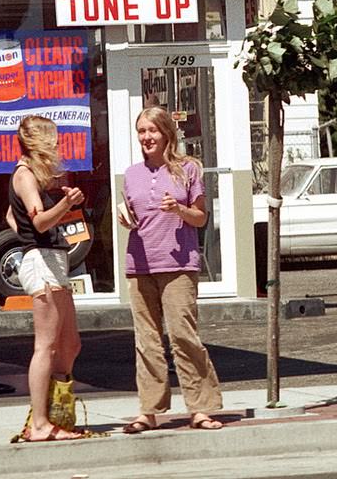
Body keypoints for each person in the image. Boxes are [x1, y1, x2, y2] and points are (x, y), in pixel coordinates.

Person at [118, 105, 223, 433]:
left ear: (167, 133)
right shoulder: (131, 174)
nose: (146, 137)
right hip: (140, 263)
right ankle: (148, 411)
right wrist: (125, 219)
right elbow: (134, 215)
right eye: (141, 131)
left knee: (183, 335)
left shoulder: (188, 169)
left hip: (179, 265)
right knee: (146, 340)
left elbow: (201, 217)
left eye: (152, 131)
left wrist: (178, 208)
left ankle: (201, 409)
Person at [7, 114, 85, 442]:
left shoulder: (36, 178)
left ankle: (57, 413)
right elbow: (39, 223)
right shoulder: (24, 176)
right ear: (38, 143)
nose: (56, 146)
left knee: (69, 344)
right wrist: (65, 205)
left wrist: (25, 232)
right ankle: (39, 423)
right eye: (52, 140)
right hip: (41, 262)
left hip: (51, 260)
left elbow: (12, 215)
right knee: (46, 346)